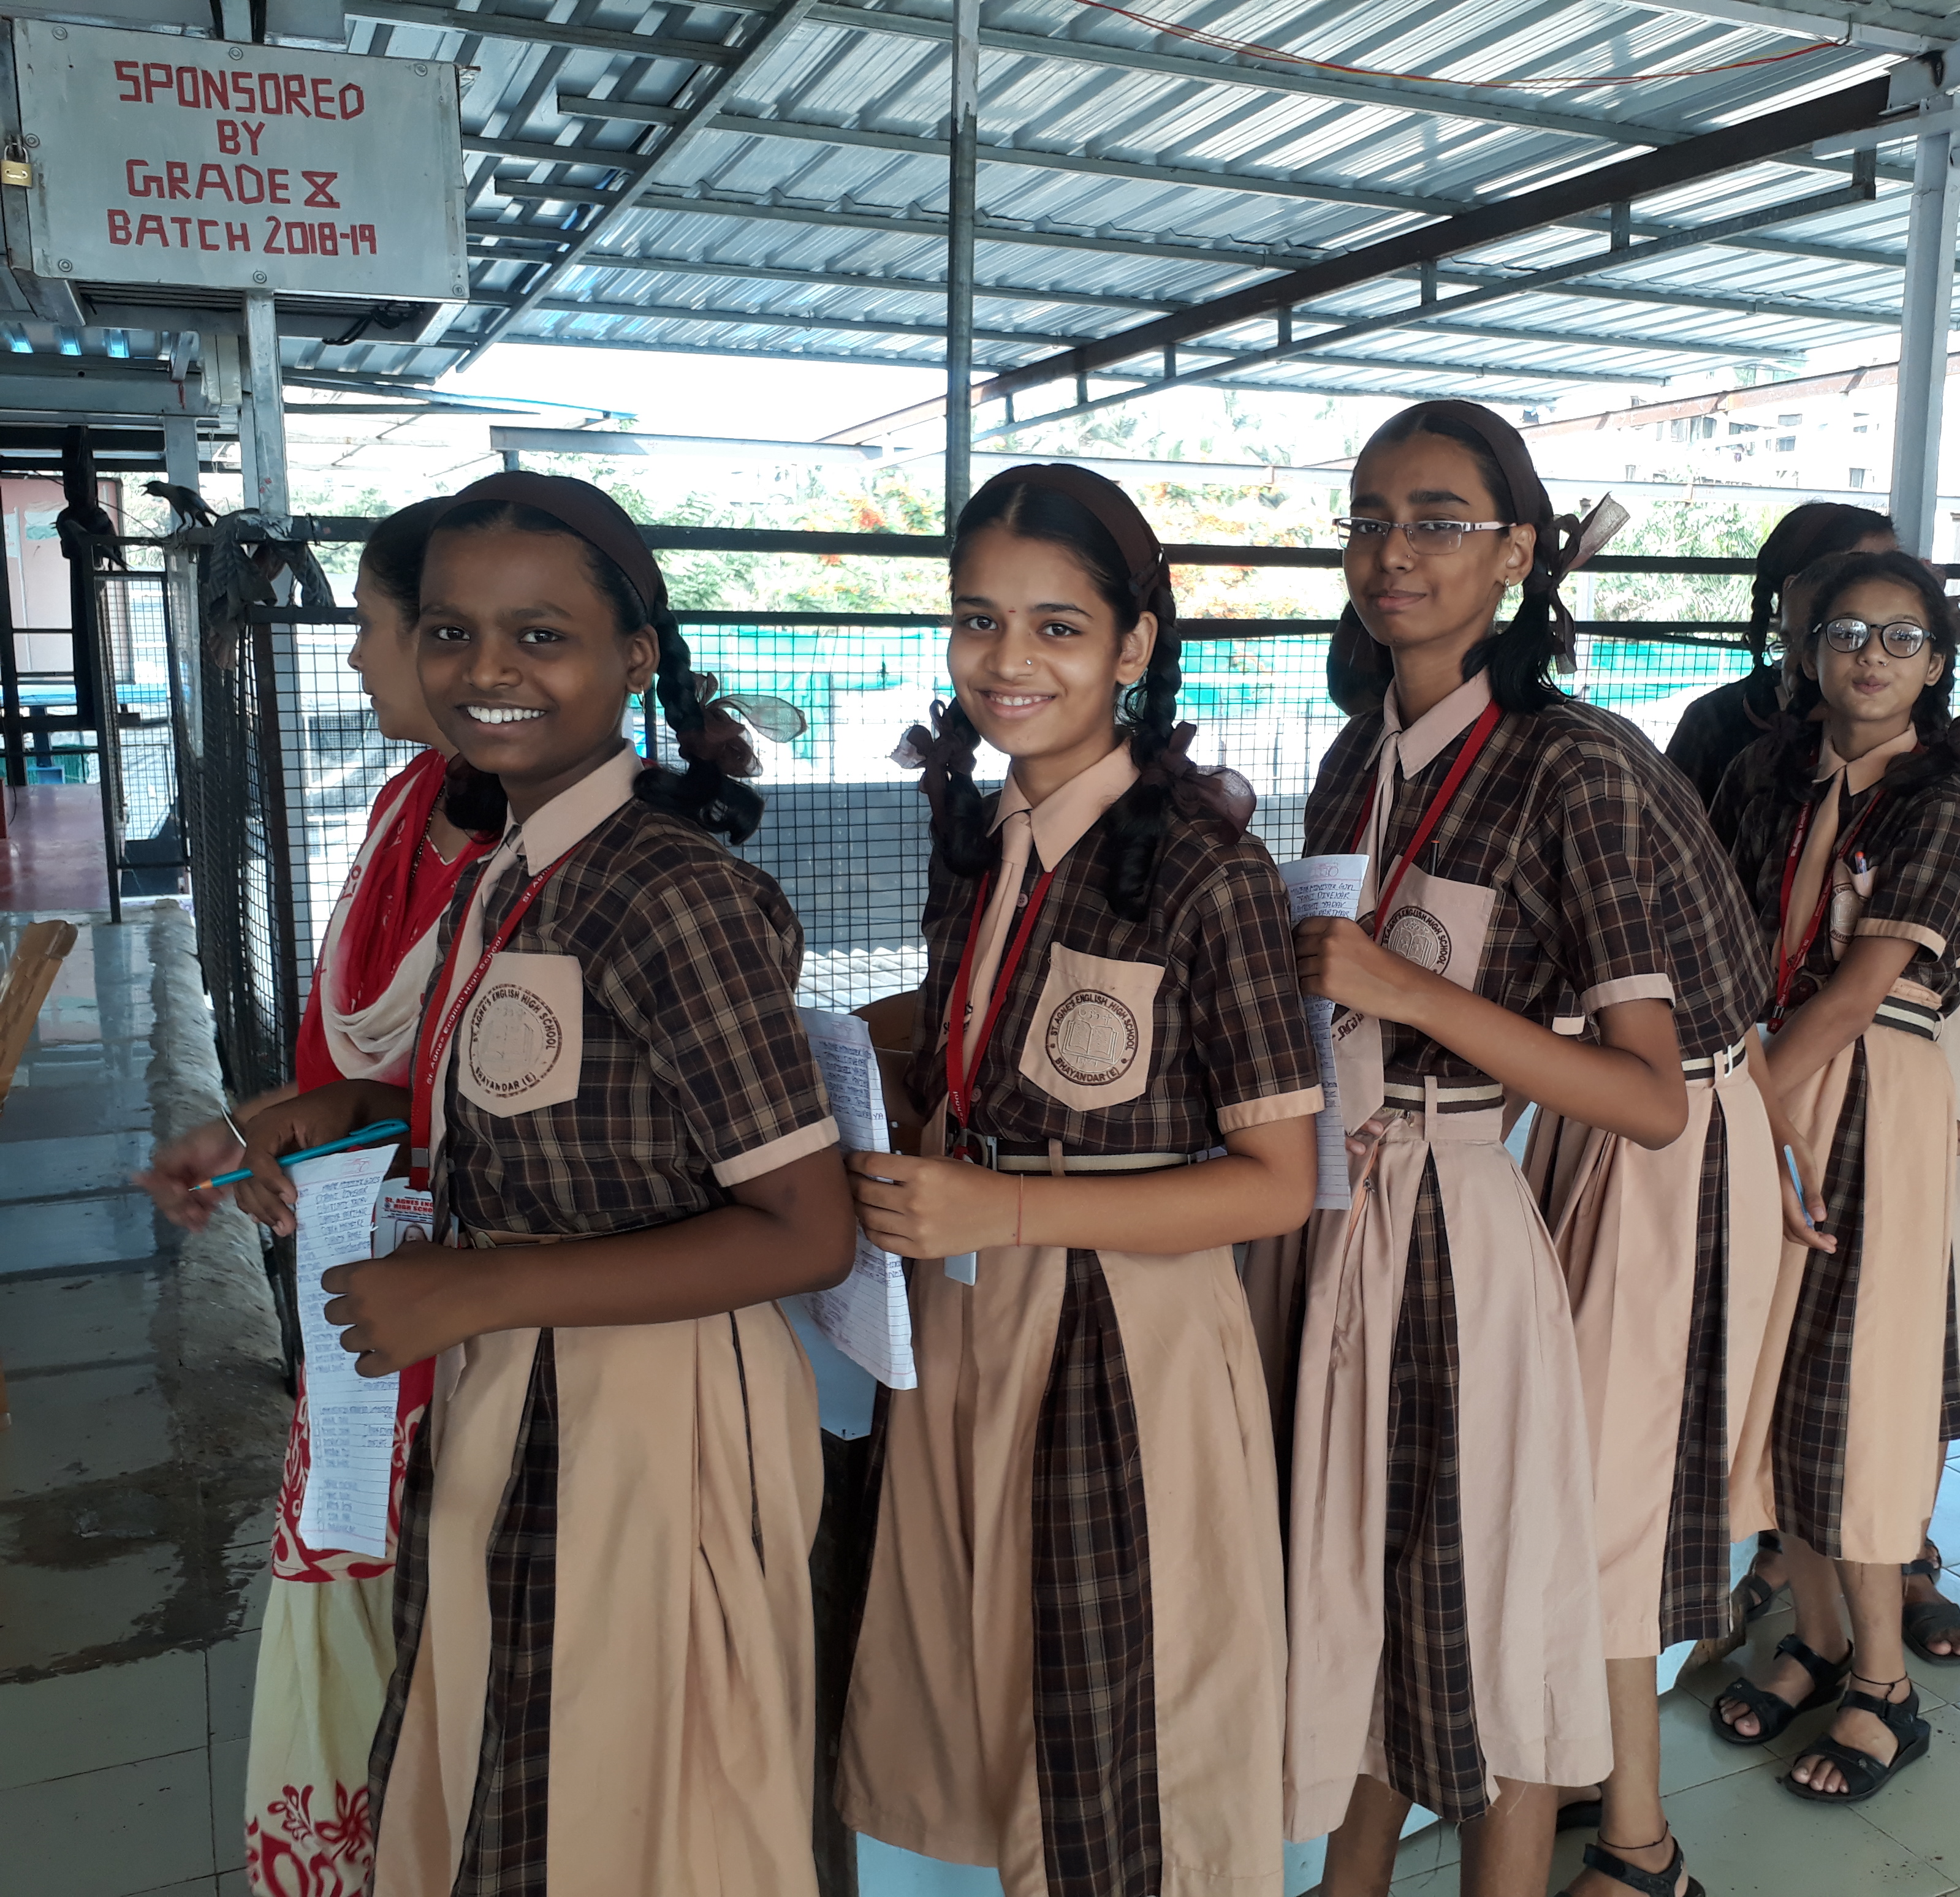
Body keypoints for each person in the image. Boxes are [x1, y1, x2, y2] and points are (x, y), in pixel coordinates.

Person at [230, 471, 852, 1896]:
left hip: (651, 1411)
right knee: (517, 1762)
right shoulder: (508, 867)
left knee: (627, 1806)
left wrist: (481, 1285)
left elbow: (805, 1229)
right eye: (451, 632)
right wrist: (357, 1116)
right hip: (523, 1378)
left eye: (541, 635)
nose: (487, 670)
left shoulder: (668, 892)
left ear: (633, 656)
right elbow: (557, 1119)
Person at [836, 465, 1321, 1896]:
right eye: (977, 619)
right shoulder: (979, 840)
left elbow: (1276, 1182)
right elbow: (970, 1044)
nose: (1008, 660)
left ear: (1133, 645)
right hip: (969, 1310)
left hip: (1123, 1342)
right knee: (998, 1676)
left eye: (1057, 627)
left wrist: (1007, 1207)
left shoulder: (1206, 874)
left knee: (1115, 1708)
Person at [1283, 400, 1703, 1897]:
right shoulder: (1359, 755)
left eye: (1436, 522)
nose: (1392, 553)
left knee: (1486, 1620)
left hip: (1459, 1227)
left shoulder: (1567, 765)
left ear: (1517, 553)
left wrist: (1408, 995)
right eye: (1368, 519)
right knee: (1361, 1600)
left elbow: (1647, 1093)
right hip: (1336, 1209)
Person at [135, 502, 485, 1897]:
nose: (353, 659)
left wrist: (336, 1127)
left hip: (476, 1311)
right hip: (364, 1307)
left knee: (461, 1637)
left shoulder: (556, 855)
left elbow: (495, 1107)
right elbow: (372, 1073)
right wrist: (254, 1131)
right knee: (357, 1621)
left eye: (371, 628)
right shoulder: (408, 810)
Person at [1521, 618, 1828, 1887]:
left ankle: (1640, 1840)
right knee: (1567, 1477)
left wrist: (1771, 1139)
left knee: (1610, 1494)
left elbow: (1705, 1014)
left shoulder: (1572, 761)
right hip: (1584, 1120)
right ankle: (1585, 1765)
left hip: (1660, 1139)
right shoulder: (1459, 756)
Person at [1706, 550, 1960, 1801]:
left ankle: (1884, 1681)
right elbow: (1720, 943)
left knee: (1857, 1387)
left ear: (1936, 665)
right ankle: (1816, 1637)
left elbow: (1862, 986)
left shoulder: (1950, 797)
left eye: (1901, 638)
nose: (1871, 657)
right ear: (1805, 649)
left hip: (1863, 1089)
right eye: (1846, 634)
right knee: (1771, 1375)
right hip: (1763, 1074)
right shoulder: (1762, 776)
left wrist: (1739, 1116)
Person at [1663, 503, 1896, 806]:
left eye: (1899, 569)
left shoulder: (1913, 730)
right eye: (1865, 571)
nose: (1898, 587)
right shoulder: (1716, 723)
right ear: (1798, 590)